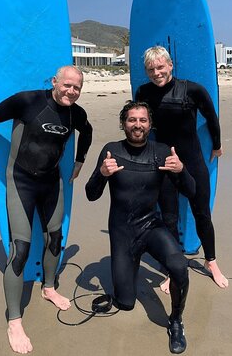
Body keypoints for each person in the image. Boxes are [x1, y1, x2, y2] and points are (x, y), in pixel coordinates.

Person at [0, 65, 93, 354]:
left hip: (51, 183)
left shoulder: (74, 113)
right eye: (67, 85)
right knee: (21, 249)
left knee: (55, 238)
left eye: (77, 88)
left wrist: (79, 161)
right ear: (55, 82)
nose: (71, 91)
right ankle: (14, 320)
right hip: (20, 182)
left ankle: (49, 287)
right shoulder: (27, 101)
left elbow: (88, 131)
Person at [85, 101, 195, 354]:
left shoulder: (162, 151)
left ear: (150, 124)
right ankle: (129, 266)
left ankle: (176, 321)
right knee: (125, 303)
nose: (137, 125)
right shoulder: (111, 150)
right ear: (123, 123)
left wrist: (181, 170)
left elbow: (191, 191)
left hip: (150, 226)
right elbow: (91, 194)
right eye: (132, 120)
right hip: (122, 232)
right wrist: (102, 173)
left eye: (143, 120)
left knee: (179, 266)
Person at [135, 45, 228, 290]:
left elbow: (211, 117)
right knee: (168, 218)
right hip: (163, 163)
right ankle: (173, 267)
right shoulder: (143, 92)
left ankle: (211, 262)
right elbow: (139, 127)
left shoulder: (193, 90)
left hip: (193, 161)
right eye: (151, 69)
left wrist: (216, 146)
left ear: (170, 65)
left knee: (201, 214)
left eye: (160, 67)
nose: (156, 73)